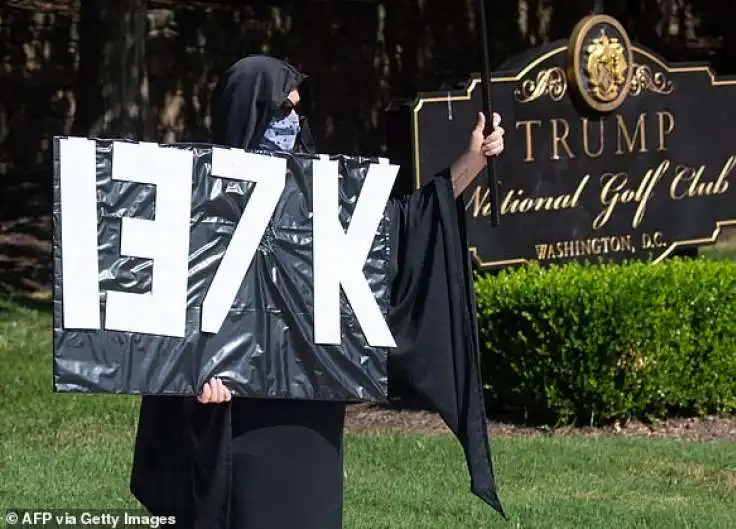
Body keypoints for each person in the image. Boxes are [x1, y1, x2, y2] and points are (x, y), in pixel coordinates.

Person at [130, 55, 506, 529]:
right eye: (281, 112)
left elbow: (396, 232)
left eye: (297, 111)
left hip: (310, 416)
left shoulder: (319, 197)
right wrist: (190, 386)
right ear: (249, 113)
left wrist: (473, 160)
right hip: (238, 419)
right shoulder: (198, 206)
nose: (293, 123)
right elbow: (169, 317)